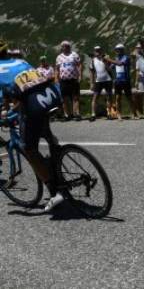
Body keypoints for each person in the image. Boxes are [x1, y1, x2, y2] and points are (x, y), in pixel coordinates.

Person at [0, 39, 65, 211]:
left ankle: (55, 192)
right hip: (51, 96)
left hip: (33, 105)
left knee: (29, 148)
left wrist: (6, 114)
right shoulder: (21, 61)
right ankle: (56, 155)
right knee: (44, 130)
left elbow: (5, 97)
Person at [105, 44, 137, 120]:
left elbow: (120, 64)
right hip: (117, 81)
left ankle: (134, 113)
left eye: (119, 49)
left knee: (129, 98)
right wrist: (106, 62)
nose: (117, 51)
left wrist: (109, 59)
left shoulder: (126, 58)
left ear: (122, 50)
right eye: (117, 50)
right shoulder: (115, 58)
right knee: (118, 98)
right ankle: (119, 114)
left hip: (126, 80)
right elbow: (109, 69)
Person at [55, 40, 82, 121]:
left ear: (69, 46)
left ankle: (76, 114)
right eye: (63, 46)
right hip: (63, 80)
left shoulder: (74, 54)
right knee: (64, 98)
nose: (65, 47)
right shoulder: (59, 57)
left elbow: (79, 64)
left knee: (75, 97)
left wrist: (80, 75)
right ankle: (67, 115)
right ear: (62, 47)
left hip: (73, 79)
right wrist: (56, 79)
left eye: (67, 46)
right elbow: (57, 69)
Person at [88, 46, 114, 121]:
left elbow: (110, 69)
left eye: (99, 50)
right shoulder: (93, 60)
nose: (98, 52)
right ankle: (93, 114)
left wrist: (105, 61)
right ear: (94, 52)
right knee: (95, 97)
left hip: (107, 80)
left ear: (101, 51)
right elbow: (92, 73)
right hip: (98, 81)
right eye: (96, 51)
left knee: (109, 96)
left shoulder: (106, 58)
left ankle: (109, 113)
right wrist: (91, 83)